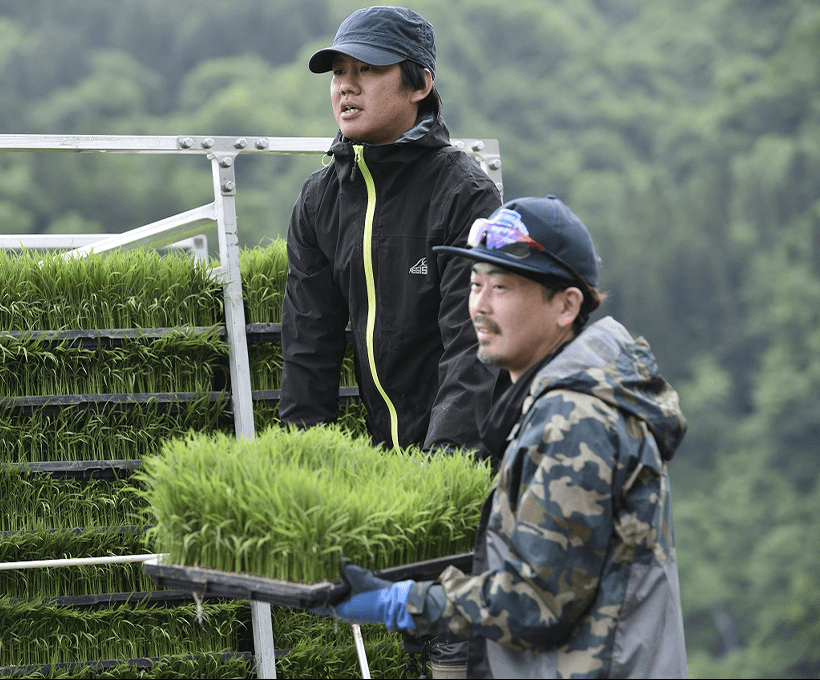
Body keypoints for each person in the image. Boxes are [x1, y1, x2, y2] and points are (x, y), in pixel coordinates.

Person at [312, 195, 689, 678]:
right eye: (475, 285)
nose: (480, 306)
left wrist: (402, 601)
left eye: (503, 288)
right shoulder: (560, 403)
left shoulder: (574, 421)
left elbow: (536, 603)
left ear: (566, 306)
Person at [279, 6, 503, 456]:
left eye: (368, 68)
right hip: (387, 462)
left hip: (469, 461)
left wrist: (444, 472)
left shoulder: (466, 196)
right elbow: (308, 347)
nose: (346, 84)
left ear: (419, 84)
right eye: (339, 72)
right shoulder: (319, 199)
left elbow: (473, 344)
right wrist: (299, 467)